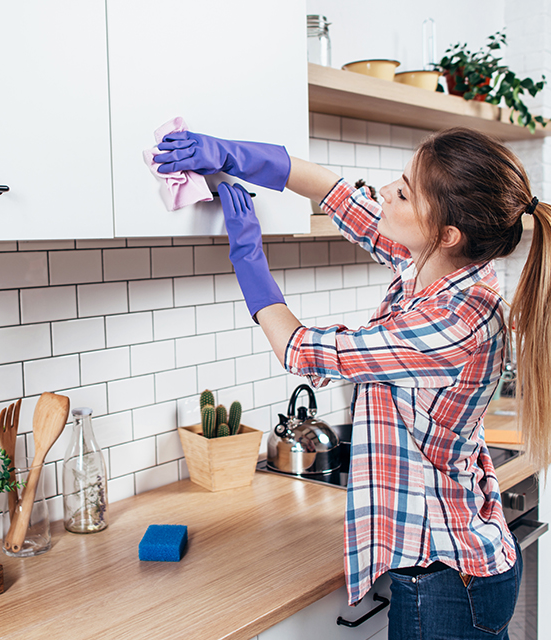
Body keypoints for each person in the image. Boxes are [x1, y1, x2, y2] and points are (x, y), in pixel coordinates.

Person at [154, 127, 551, 639]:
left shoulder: (452, 322)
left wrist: (247, 256)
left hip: (449, 582)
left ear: (447, 232)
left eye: (404, 191)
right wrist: (233, 153)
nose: (385, 191)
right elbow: (336, 194)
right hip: (453, 562)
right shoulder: (441, 265)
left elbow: (300, 348)